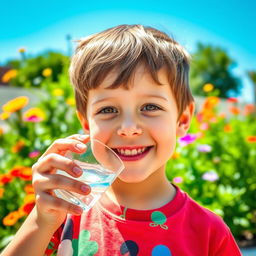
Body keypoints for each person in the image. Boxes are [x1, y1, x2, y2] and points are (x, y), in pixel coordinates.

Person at [1, 24, 241, 256]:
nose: (128, 128)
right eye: (107, 110)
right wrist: (41, 221)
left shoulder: (209, 233)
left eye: (150, 106)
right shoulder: (63, 215)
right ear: (86, 122)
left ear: (183, 119)